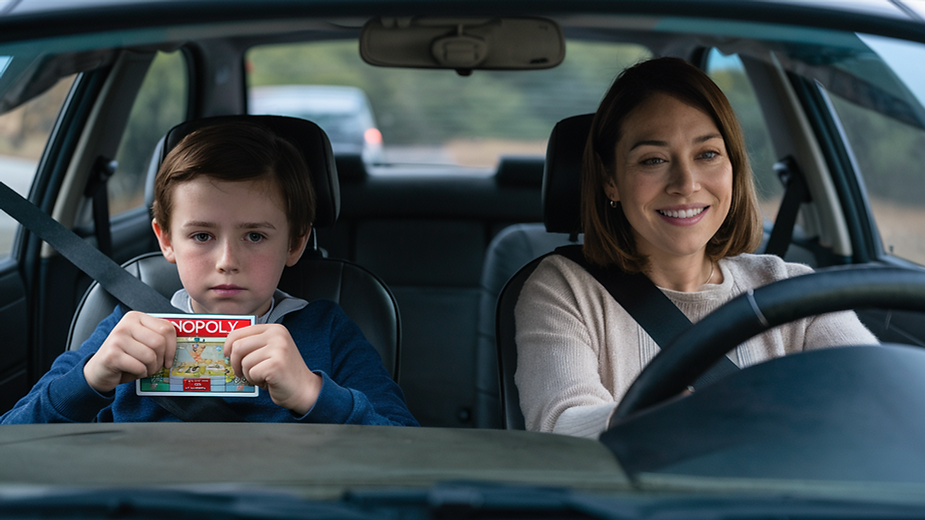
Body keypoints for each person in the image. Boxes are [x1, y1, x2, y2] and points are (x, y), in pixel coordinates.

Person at [513, 57, 877, 439]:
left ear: (733, 167)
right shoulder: (564, 289)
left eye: (707, 155)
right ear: (611, 182)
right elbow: (560, 426)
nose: (686, 183)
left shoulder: (794, 292)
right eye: (653, 159)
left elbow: (877, 393)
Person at [1, 121, 418, 426]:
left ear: (294, 243)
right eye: (201, 235)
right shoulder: (127, 329)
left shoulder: (327, 331)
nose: (226, 261)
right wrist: (91, 378)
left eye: (254, 236)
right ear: (166, 241)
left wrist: (313, 393)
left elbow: (406, 453)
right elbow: (13, 440)